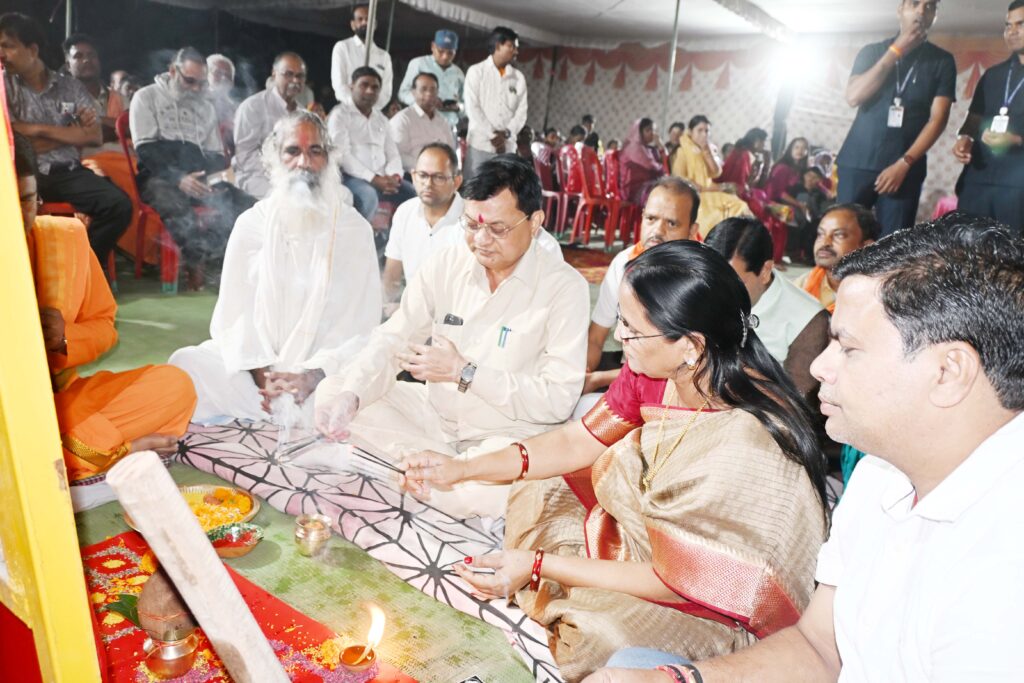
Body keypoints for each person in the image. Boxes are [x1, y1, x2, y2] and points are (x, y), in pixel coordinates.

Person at [586, 214, 1024, 683]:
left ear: (949, 372)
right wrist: (677, 681)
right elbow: (818, 646)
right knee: (629, 666)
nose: (818, 367)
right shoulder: (882, 472)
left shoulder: (1003, 565)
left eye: (848, 348)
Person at [401, 240, 829, 682]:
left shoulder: (748, 438)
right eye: (621, 320)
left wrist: (537, 564)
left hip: (712, 596)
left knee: (594, 636)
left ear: (690, 345)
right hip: (652, 534)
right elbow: (576, 442)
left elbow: (681, 580)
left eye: (632, 329)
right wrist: (462, 469)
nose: (619, 337)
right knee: (542, 486)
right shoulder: (659, 370)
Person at [314, 155, 589, 519]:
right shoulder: (447, 263)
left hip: (506, 439)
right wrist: (352, 396)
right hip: (435, 419)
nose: (481, 240)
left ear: (535, 222)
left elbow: (558, 400)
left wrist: (466, 372)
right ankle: (431, 475)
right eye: (472, 225)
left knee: (500, 486)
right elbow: (395, 337)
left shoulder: (565, 288)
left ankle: (424, 475)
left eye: (498, 229)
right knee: (335, 392)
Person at [169, 111, 379, 424]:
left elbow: (360, 328)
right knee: (185, 365)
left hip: (322, 376)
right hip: (258, 372)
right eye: (293, 151)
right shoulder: (252, 224)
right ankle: (285, 412)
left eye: (315, 151)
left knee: (352, 394)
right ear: (274, 160)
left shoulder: (353, 229)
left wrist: (312, 376)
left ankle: (292, 412)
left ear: (329, 158)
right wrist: (262, 375)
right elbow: (235, 316)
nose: (304, 163)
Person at [14, 133, 196, 486]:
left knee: (175, 384)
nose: (19, 215)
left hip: (61, 400)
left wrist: (64, 338)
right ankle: (112, 453)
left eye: (27, 199)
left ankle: (64, 457)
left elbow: (103, 326)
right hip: (11, 414)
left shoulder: (65, 238)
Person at [1, 13, 132, 265]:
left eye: (8, 46)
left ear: (32, 50)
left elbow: (94, 136)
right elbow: (12, 141)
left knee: (119, 206)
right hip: (23, 173)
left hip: (68, 172)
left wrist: (35, 129)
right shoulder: (3, 86)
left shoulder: (70, 87)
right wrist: (70, 135)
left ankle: (82, 267)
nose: (1, 54)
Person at [130, 46, 255, 289]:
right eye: (190, 81)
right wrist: (179, 178)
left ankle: (221, 259)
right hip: (159, 176)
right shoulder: (146, 97)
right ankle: (196, 266)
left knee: (246, 205)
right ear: (172, 71)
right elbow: (146, 150)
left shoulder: (205, 106)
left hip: (200, 177)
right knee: (174, 203)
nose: (196, 89)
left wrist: (207, 178)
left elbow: (216, 155)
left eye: (201, 83)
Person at [836, 0, 956, 237]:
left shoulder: (942, 61)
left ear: (935, 15)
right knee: (844, 233)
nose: (921, 10)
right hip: (858, 161)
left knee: (894, 244)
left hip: (904, 168)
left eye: (930, 6)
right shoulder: (871, 52)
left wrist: (904, 163)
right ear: (900, 9)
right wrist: (897, 49)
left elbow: (938, 120)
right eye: (915, 3)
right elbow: (853, 96)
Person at [585, 177, 701, 399]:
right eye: (651, 219)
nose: (657, 230)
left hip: (681, 392)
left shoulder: (699, 276)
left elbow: (690, 366)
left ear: (692, 230)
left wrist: (599, 379)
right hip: (629, 380)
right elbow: (595, 339)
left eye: (672, 224)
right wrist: (584, 374)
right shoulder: (623, 263)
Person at [704, 217, 828, 397]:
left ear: (765, 271)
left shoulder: (809, 320)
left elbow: (794, 402)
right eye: (712, 280)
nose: (719, 294)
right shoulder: (698, 292)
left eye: (733, 284)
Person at [952, 1, 1024, 234]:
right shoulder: (993, 75)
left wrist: (1016, 140)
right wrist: (965, 138)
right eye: (1008, 25)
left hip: (1018, 187)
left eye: (1020, 24)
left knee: (1012, 252)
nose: (1012, 31)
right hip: (978, 178)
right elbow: (974, 117)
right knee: (966, 245)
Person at [381, 143, 465, 311]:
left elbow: (467, 292)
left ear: (456, 181)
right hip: (411, 313)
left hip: (455, 314)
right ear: (413, 177)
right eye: (423, 175)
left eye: (438, 177)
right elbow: (392, 276)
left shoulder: (470, 221)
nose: (428, 183)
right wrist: (385, 307)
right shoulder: (405, 212)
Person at [329, 66, 416, 222]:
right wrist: (373, 179)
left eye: (375, 87)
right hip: (351, 177)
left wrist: (394, 176)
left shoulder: (381, 119)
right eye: (364, 85)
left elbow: (393, 153)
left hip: (383, 177)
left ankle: (399, 235)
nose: (370, 91)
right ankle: (360, 237)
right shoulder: (340, 115)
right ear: (352, 86)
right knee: (368, 196)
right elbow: (342, 155)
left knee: (413, 194)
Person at [233, 52, 309, 198]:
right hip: (257, 177)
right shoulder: (253, 107)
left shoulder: (303, 114)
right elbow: (245, 155)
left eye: (300, 76)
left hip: (293, 177)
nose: (295, 80)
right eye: (288, 74)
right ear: (274, 74)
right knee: (289, 199)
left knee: (339, 195)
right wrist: (281, 173)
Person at [463, 26, 528, 180]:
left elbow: (521, 112)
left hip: (507, 148)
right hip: (480, 146)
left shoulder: (518, 77)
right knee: (474, 190)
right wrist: (492, 135)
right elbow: (472, 108)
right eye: (512, 47)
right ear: (498, 46)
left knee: (503, 191)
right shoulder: (476, 72)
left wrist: (506, 133)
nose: (516, 52)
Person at [672, 115, 751, 237]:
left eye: (707, 130)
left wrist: (707, 153)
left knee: (740, 206)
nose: (704, 134)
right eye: (700, 130)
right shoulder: (682, 151)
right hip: (694, 194)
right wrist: (710, 188)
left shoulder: (708, 149)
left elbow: (716, 172)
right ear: (690, 132)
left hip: (710, 192)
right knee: (714, 215)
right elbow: (680, 178)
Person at [796, 203, 879, 312]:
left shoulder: (881, 296)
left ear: (867, 246)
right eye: (820, 234)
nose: (825, 243)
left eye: (839, 235)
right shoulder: (801, 287)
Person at [62, 33, 125, 146]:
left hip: (125, 156)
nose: (87, 60)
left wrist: (93, 122)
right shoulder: (62, 99)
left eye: (91, 55)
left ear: (99, 60)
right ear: (68, 66)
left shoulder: (120, 98)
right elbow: (68, 131)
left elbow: (132, 127)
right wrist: (118, 126)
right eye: (78, 56)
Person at [389, 71, 456, 174]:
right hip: (413, 174)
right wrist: (427, 168)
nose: (429, 94)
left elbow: (451, 151)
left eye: (433, 90)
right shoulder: (403, 119)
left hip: (441, 173)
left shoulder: (443, 121)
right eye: (423, 89)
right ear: (413, 92)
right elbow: (397, 155)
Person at [397, 29, 465, 128]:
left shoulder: (458, 73)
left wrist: (458, 108)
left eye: (450, 53)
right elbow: (403, 93)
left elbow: (466, 104)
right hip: (420, 124)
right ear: (433, 46)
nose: (445, 57)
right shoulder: (419, 64)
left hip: (448, 127)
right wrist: (425, 101)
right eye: (441, 51)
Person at [331, 3, 393, 111]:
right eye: (360, 19)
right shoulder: (343, 47)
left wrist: (371, 110)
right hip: (347, 110)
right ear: (353, 25)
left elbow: (386, 91)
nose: (365, 22)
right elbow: (339, 84)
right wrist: (356, 108)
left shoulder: (384, 56)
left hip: (373, 113)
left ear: (375, 24)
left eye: (368, 19)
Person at [619, 118, 667, 205]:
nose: (652, 133)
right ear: (639, 132)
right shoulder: (634, 147)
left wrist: (660, 145)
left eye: (654, 130)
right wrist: (660, 146)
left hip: (642, 186)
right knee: (663, 193)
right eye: (648, 130)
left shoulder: (646, 148)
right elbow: (655, 168)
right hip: (632, 190)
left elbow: (662, 166)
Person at [716, 127, 770, 198]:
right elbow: (739, 183)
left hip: (733, 191)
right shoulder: (744, 155)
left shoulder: (744, 152)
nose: (764, 145)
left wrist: (766, 164)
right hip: (729, 194)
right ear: (756, 141)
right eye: (763, 141)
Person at [206, 53, 237, 154]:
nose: (223, 78)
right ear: (206, 75)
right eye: (217, 73)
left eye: (228, 75)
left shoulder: (236, 110)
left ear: (232, 82)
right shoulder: (195, 103)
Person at [763, 137, 809, 206]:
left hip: (789, 203)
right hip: (773, 204)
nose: (800, 150)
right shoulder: (783, 167)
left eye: (804, 148)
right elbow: (780, 193)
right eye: (796, 147)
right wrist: (799, 205)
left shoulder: (801, 169)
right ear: (790, 149)